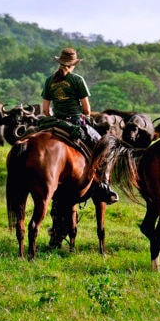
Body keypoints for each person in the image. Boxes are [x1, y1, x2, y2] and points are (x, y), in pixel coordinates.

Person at [41, 47, 117, 204]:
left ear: (60, 62)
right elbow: (86, 108)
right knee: (103, 149)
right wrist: (86, 117)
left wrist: (55, 118)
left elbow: (45, 110)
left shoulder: (50, 80)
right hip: (75, 122)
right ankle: (104, 186)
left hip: (54, 122)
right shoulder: (77, 79)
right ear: (74, 64)